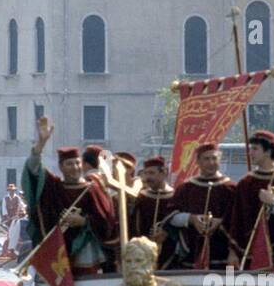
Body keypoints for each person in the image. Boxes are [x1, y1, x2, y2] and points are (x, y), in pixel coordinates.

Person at [21, 117, 118, 275]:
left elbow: (106, 221)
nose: (74, 167)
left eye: (77, 163)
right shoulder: (54, 187)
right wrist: (41, 144)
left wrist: (84, 221)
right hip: (59, 253)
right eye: (69, 164)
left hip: (87, 251)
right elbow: (33, 170)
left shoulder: (93, 188)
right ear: (61, 166)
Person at [228, 130, 274, 271]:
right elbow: (236, 219)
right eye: (250, 149)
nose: (251, 153)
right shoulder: (246, 182)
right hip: (249, 250)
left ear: (268, 151)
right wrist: (233, 251)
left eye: (255, 149)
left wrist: (273, 204)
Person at [164, 143, 236, 270]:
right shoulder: (186, 188)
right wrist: (191, 219)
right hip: (191, 252)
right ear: (197, 161)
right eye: (206, 159)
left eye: (214, 158)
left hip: (222, 253)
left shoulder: (230, 189)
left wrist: (220, 222)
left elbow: (239, 219)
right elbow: (172, 216)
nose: (211, 162)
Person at [127, 155, 174, 251]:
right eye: (146, 173)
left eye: (152, 173)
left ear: (163, 173)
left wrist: (167, 233)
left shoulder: (175, 197)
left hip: (169, 249)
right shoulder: (142, 197)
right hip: (143, 250)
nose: (148, 177)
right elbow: (135, 226)